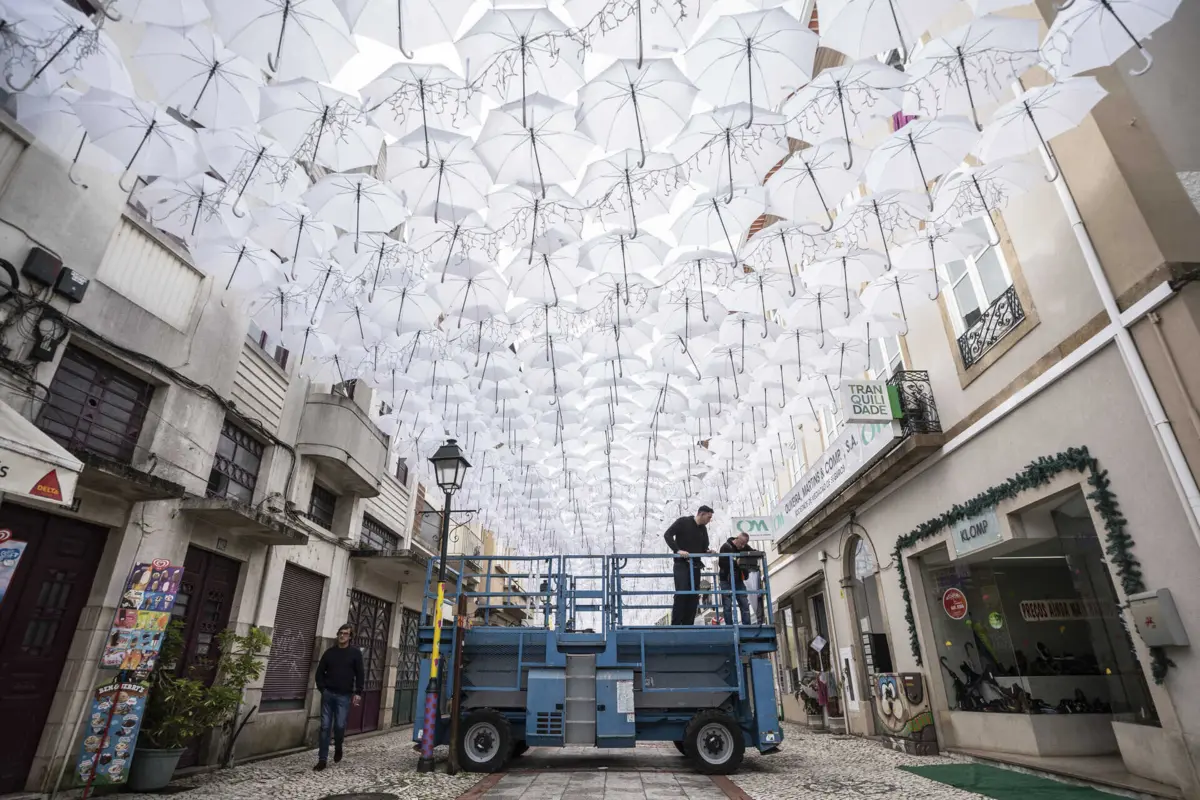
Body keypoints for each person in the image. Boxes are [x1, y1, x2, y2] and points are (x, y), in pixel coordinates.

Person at [314, 624, 364, 771]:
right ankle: (322, 759)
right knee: (324, 727)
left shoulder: (355, 654)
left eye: (346, 634)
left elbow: (360, 674)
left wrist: (358, 693)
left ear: (350, 636)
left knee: (340, 726)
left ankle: (338, 747)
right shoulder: (329, 653)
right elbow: (319, 673)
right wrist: (323, 689)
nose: (342, 636)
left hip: (344, 695)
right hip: (328, 694)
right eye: (340, 633)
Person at [664, 505, 714, 625]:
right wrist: (677, 550)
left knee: (694, 595)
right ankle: (676, 624)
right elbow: (667, 535)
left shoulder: (703, 529)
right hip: (682, 563)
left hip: (696, 565)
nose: (709, 520)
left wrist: (706, 551)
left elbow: (703, 546)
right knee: (682, 592)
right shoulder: (683, 522)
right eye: (708, 517)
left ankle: (688, 624)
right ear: (701, 514)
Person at [718, 531, 755, 625]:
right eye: (741, 544)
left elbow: (752, 552)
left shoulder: (744, 546)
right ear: (737, 539)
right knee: (727, 605)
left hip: (738, 578)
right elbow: (721, 563)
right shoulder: (725, 547)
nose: (742, 546)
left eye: (744, 544)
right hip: (726, 579)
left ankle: (747, 625)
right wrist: (735, 563)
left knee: (744, 603)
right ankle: (729, 626)